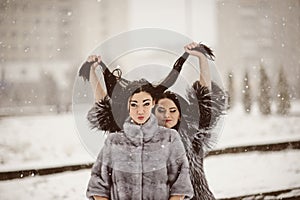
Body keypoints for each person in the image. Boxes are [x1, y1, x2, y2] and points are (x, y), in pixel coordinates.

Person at [86, 79, 194, 200]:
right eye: (134, 104)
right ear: (127, 105)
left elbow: (181, 184)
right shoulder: (114, 141)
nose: (140, 110)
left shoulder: (170, 138)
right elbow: (98, 186)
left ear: (153, 103)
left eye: (146, 103)